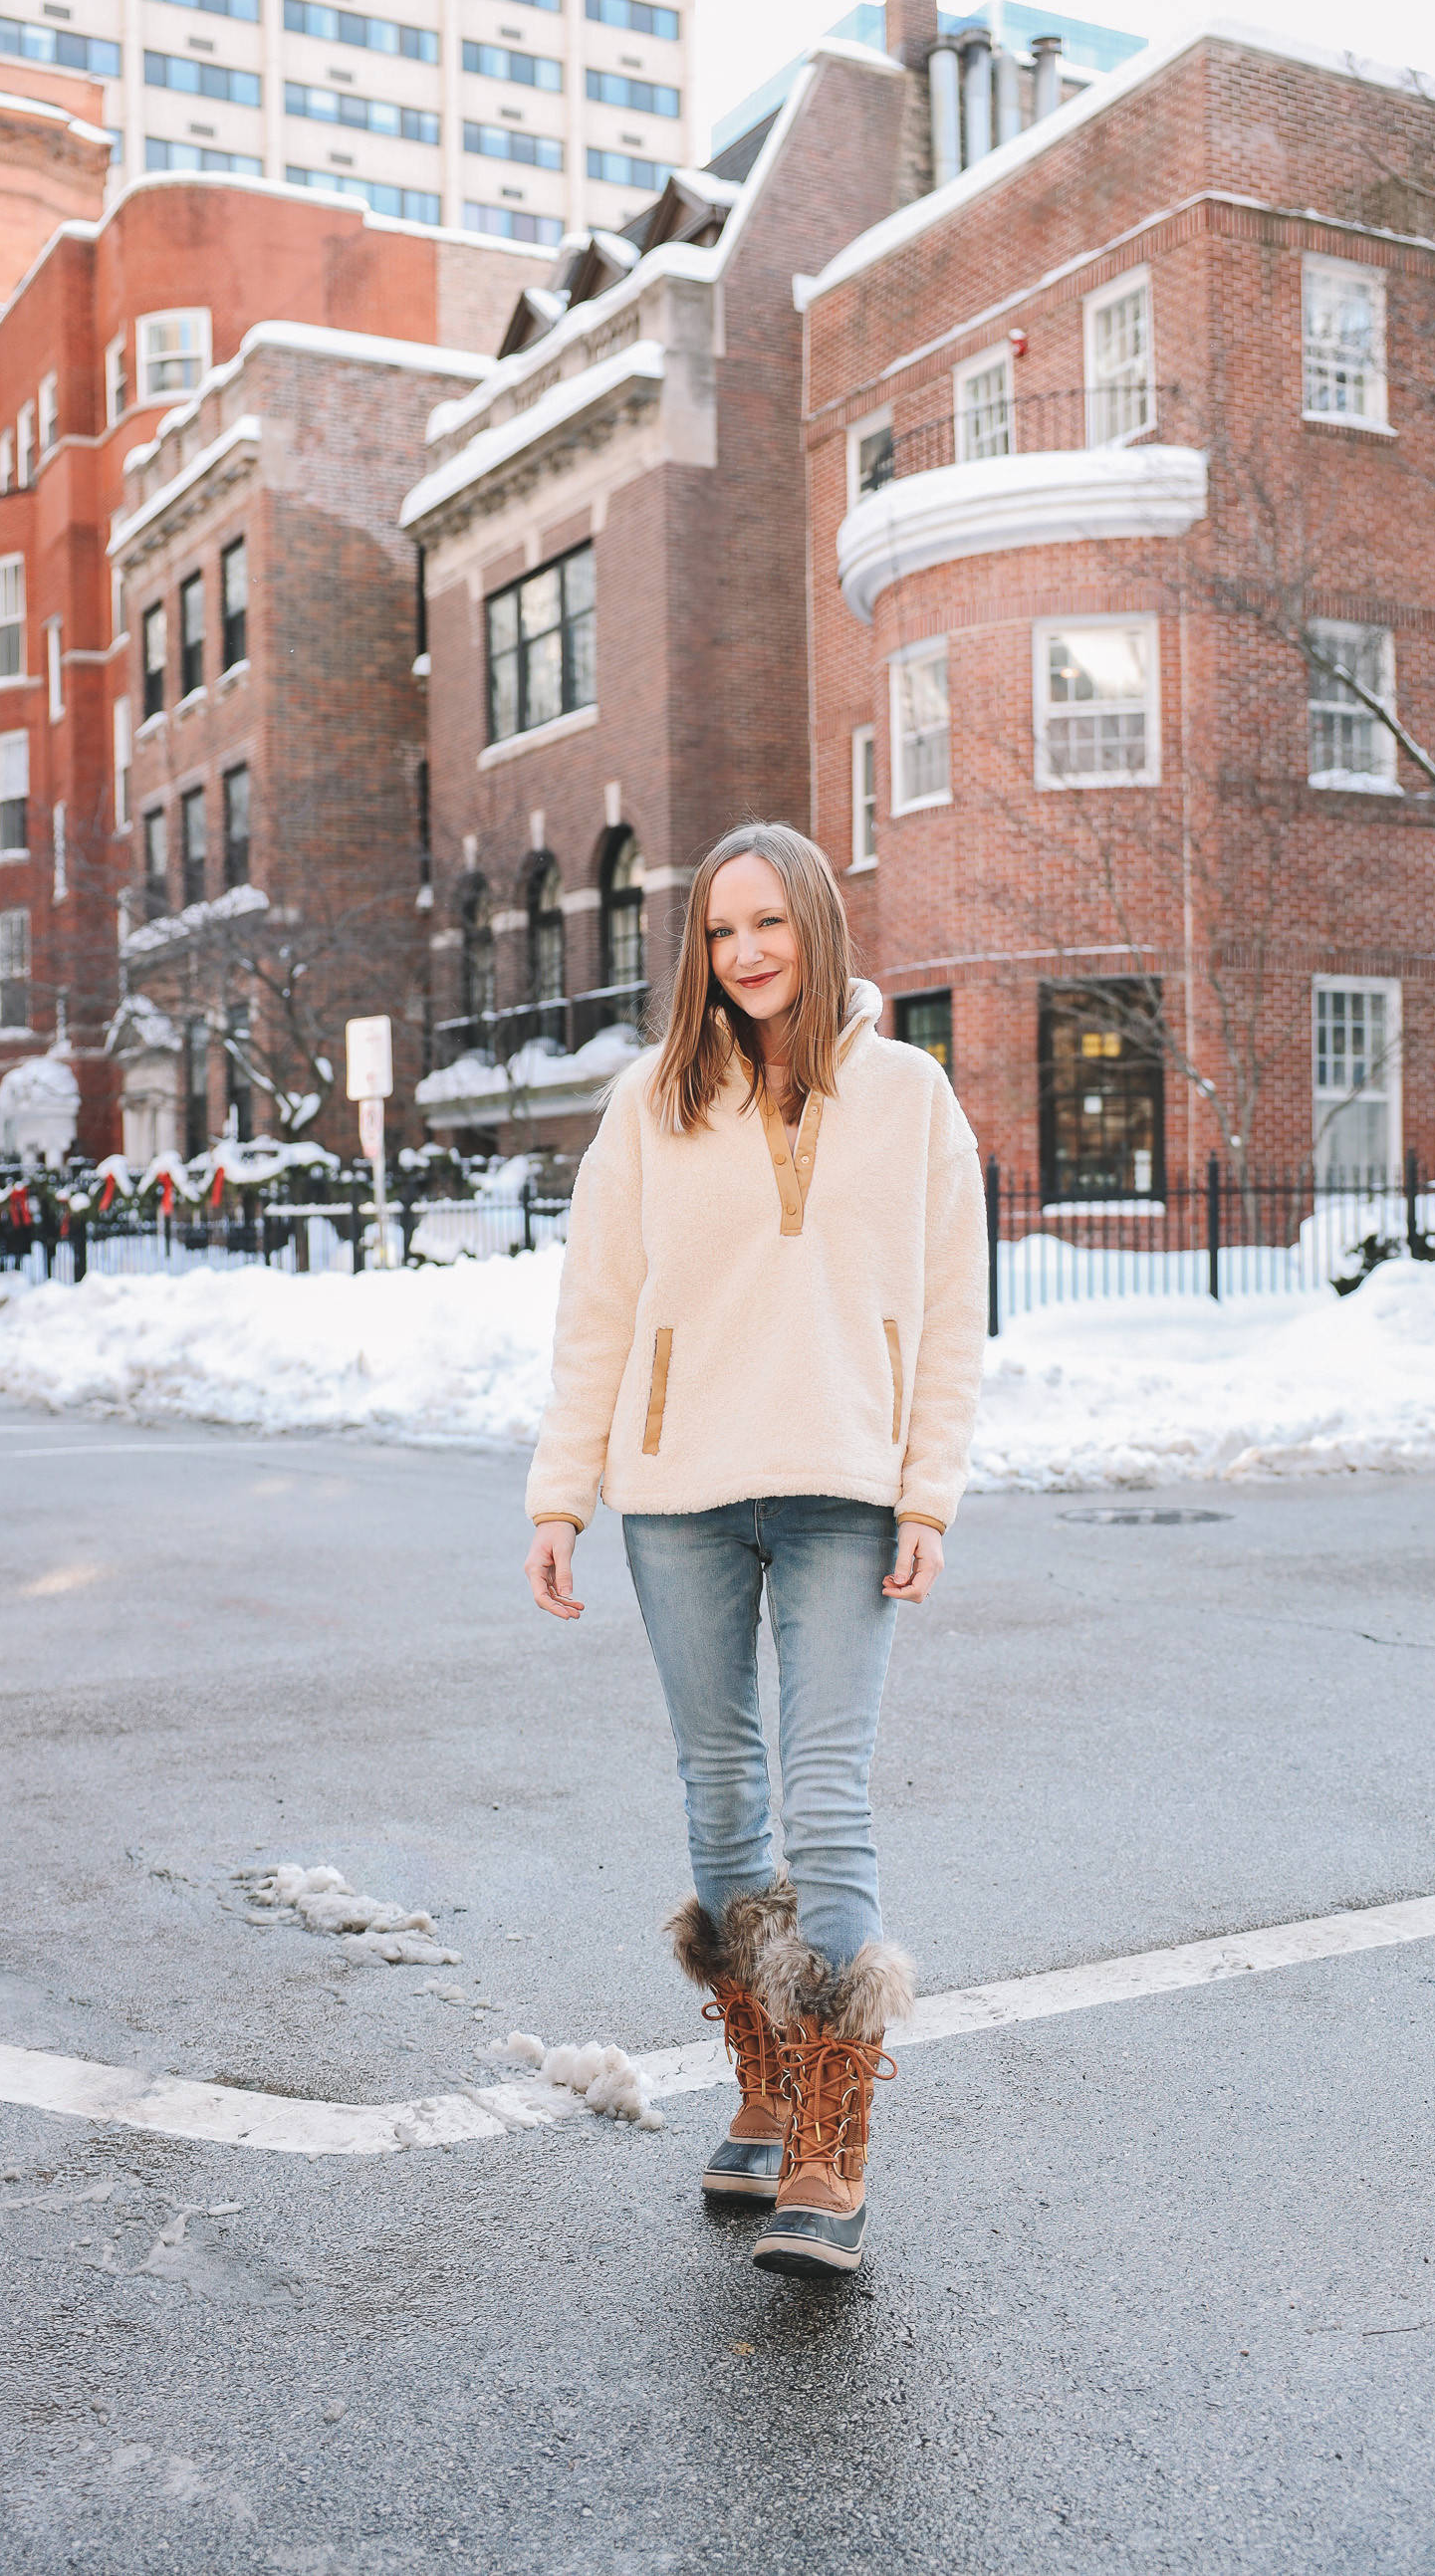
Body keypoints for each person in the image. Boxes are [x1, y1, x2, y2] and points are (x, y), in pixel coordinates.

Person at [522, 820, 986, 2276]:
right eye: (724, 931)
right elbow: (597, 1308)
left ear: (819, 928)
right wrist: (561, 1493)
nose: (749, 952)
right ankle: (766, 2089)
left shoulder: (912, 1098)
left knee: (827, 1798)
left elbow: (955, 1311)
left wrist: (929, 1496)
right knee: (722, 1796)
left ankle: (833, 2148)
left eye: (772, 922)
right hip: (682, 1492)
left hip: (848, 1485)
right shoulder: (652, 1102)